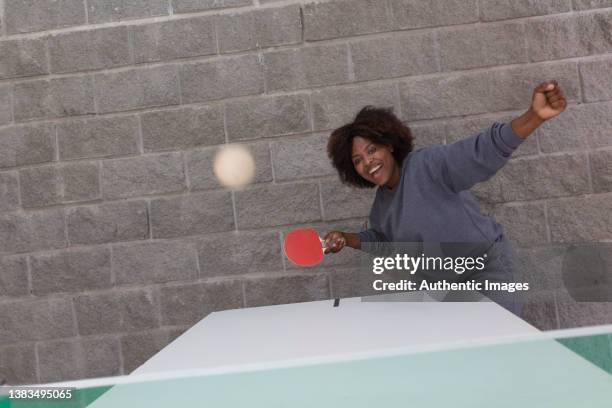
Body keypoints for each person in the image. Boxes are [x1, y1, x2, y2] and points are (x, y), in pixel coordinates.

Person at [323, 80, 567, 315]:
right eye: (358, 161)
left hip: (486, 274)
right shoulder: (380, 207)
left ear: (389, 146)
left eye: (372, 150)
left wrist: (534, 116)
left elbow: (480, 152)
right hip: (442, 291)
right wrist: (347, 239)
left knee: (492, 350)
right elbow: (386, 242)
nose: (368, 162)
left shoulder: (427, 166)